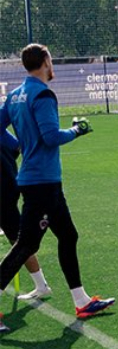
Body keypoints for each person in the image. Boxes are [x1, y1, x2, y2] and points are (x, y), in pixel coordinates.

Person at [0, 43, 114, 333]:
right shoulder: (42, 94)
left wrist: (19, 145)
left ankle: (81, 300)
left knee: (68, 235)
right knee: (27, 244)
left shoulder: (15, 95)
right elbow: (51, 137)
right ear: (46, 62)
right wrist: (77, 130)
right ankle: (81, 300)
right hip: (42, 181)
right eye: (50, 60)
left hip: (40, 179)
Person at [2, 127, 52, 302]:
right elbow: (17, 147)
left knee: (20, 241)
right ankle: (41, 285)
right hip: (9, 186)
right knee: (18, 240)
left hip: (4, 191)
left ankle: (41, 285)